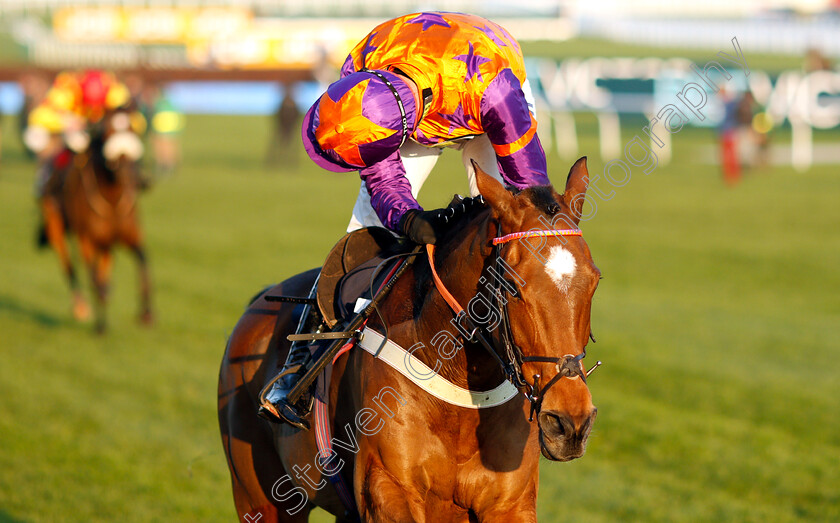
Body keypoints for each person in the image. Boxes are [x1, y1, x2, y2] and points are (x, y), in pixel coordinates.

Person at [260, 12, 550, 427]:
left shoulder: (496, 94)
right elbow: (380, 172)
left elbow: (530, 187)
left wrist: (530, 219)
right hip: (417, 83)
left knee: (514, 228)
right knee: (363, 229)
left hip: (486, 82)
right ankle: (299, 365)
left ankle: (540, 362)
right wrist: (408, 219)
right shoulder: (356, 73)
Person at [25, 70, 133, 245]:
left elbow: (131, 119)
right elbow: (40, 116)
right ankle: (49, 186)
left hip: (99, 133)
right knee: (68, 144)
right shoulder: (67, 88)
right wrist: (67, 122)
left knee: (125, 147)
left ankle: (134, 181)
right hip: (72, 130)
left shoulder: (115, 90)